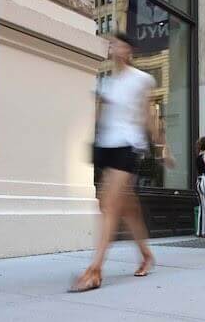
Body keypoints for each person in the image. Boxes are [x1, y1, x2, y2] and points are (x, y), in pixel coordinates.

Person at [70, 33, 171, 292]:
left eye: (119, 44)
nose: (113, 47)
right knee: (126, 209)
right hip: (107, 147)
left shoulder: (141, 79)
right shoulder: (105, 82)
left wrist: (161, 148)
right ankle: (147, 254)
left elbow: (149, 116)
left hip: (129, 146)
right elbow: (98, 117)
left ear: (129, 49)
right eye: (111, 44)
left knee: (110, 205)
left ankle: (95, 270)